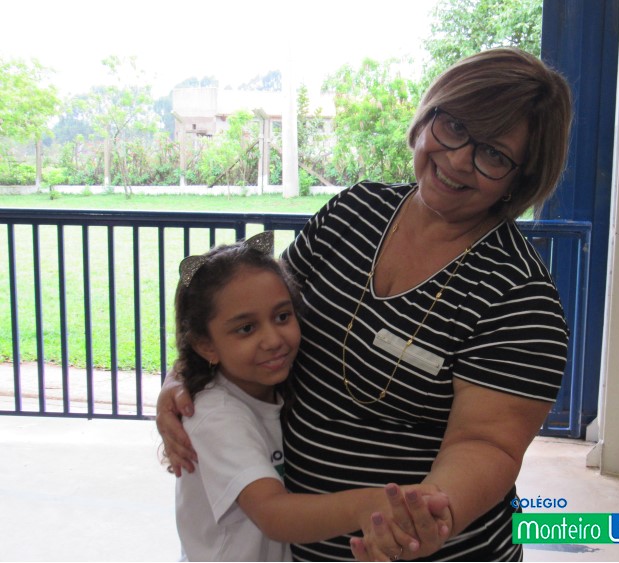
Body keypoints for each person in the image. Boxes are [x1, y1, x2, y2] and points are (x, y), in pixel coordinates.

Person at [158, 47, 573, 561]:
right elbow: (256, 310)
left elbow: (488, 445)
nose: (458, 159)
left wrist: (424, 515)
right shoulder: (353, 212)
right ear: (428, 116)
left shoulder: (518, 295)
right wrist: (184, 378)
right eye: (454, 127)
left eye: (493, 155)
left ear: (521, 178)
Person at [168, 232, 447, 561]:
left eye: (282, 317)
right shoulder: (217, 416)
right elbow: (273, 513)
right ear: (206, 346)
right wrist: (368, 505)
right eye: (246, 328)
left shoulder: (268, 386)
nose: (274, 340)